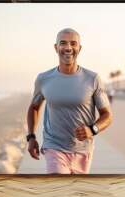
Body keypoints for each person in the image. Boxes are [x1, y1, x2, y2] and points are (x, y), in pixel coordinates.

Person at [26, 28, 113, 174]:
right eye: (63, 43)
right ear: (56, 47)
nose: (68, 48)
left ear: (79, 48)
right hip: (54, 146)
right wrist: (31, 137)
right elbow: (34, 107)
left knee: (76, 193)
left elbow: (107, 116)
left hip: (83, 150)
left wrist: (92, 129)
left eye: (73, 43)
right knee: (60, 188)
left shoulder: (92, 79)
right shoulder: (43, 79)